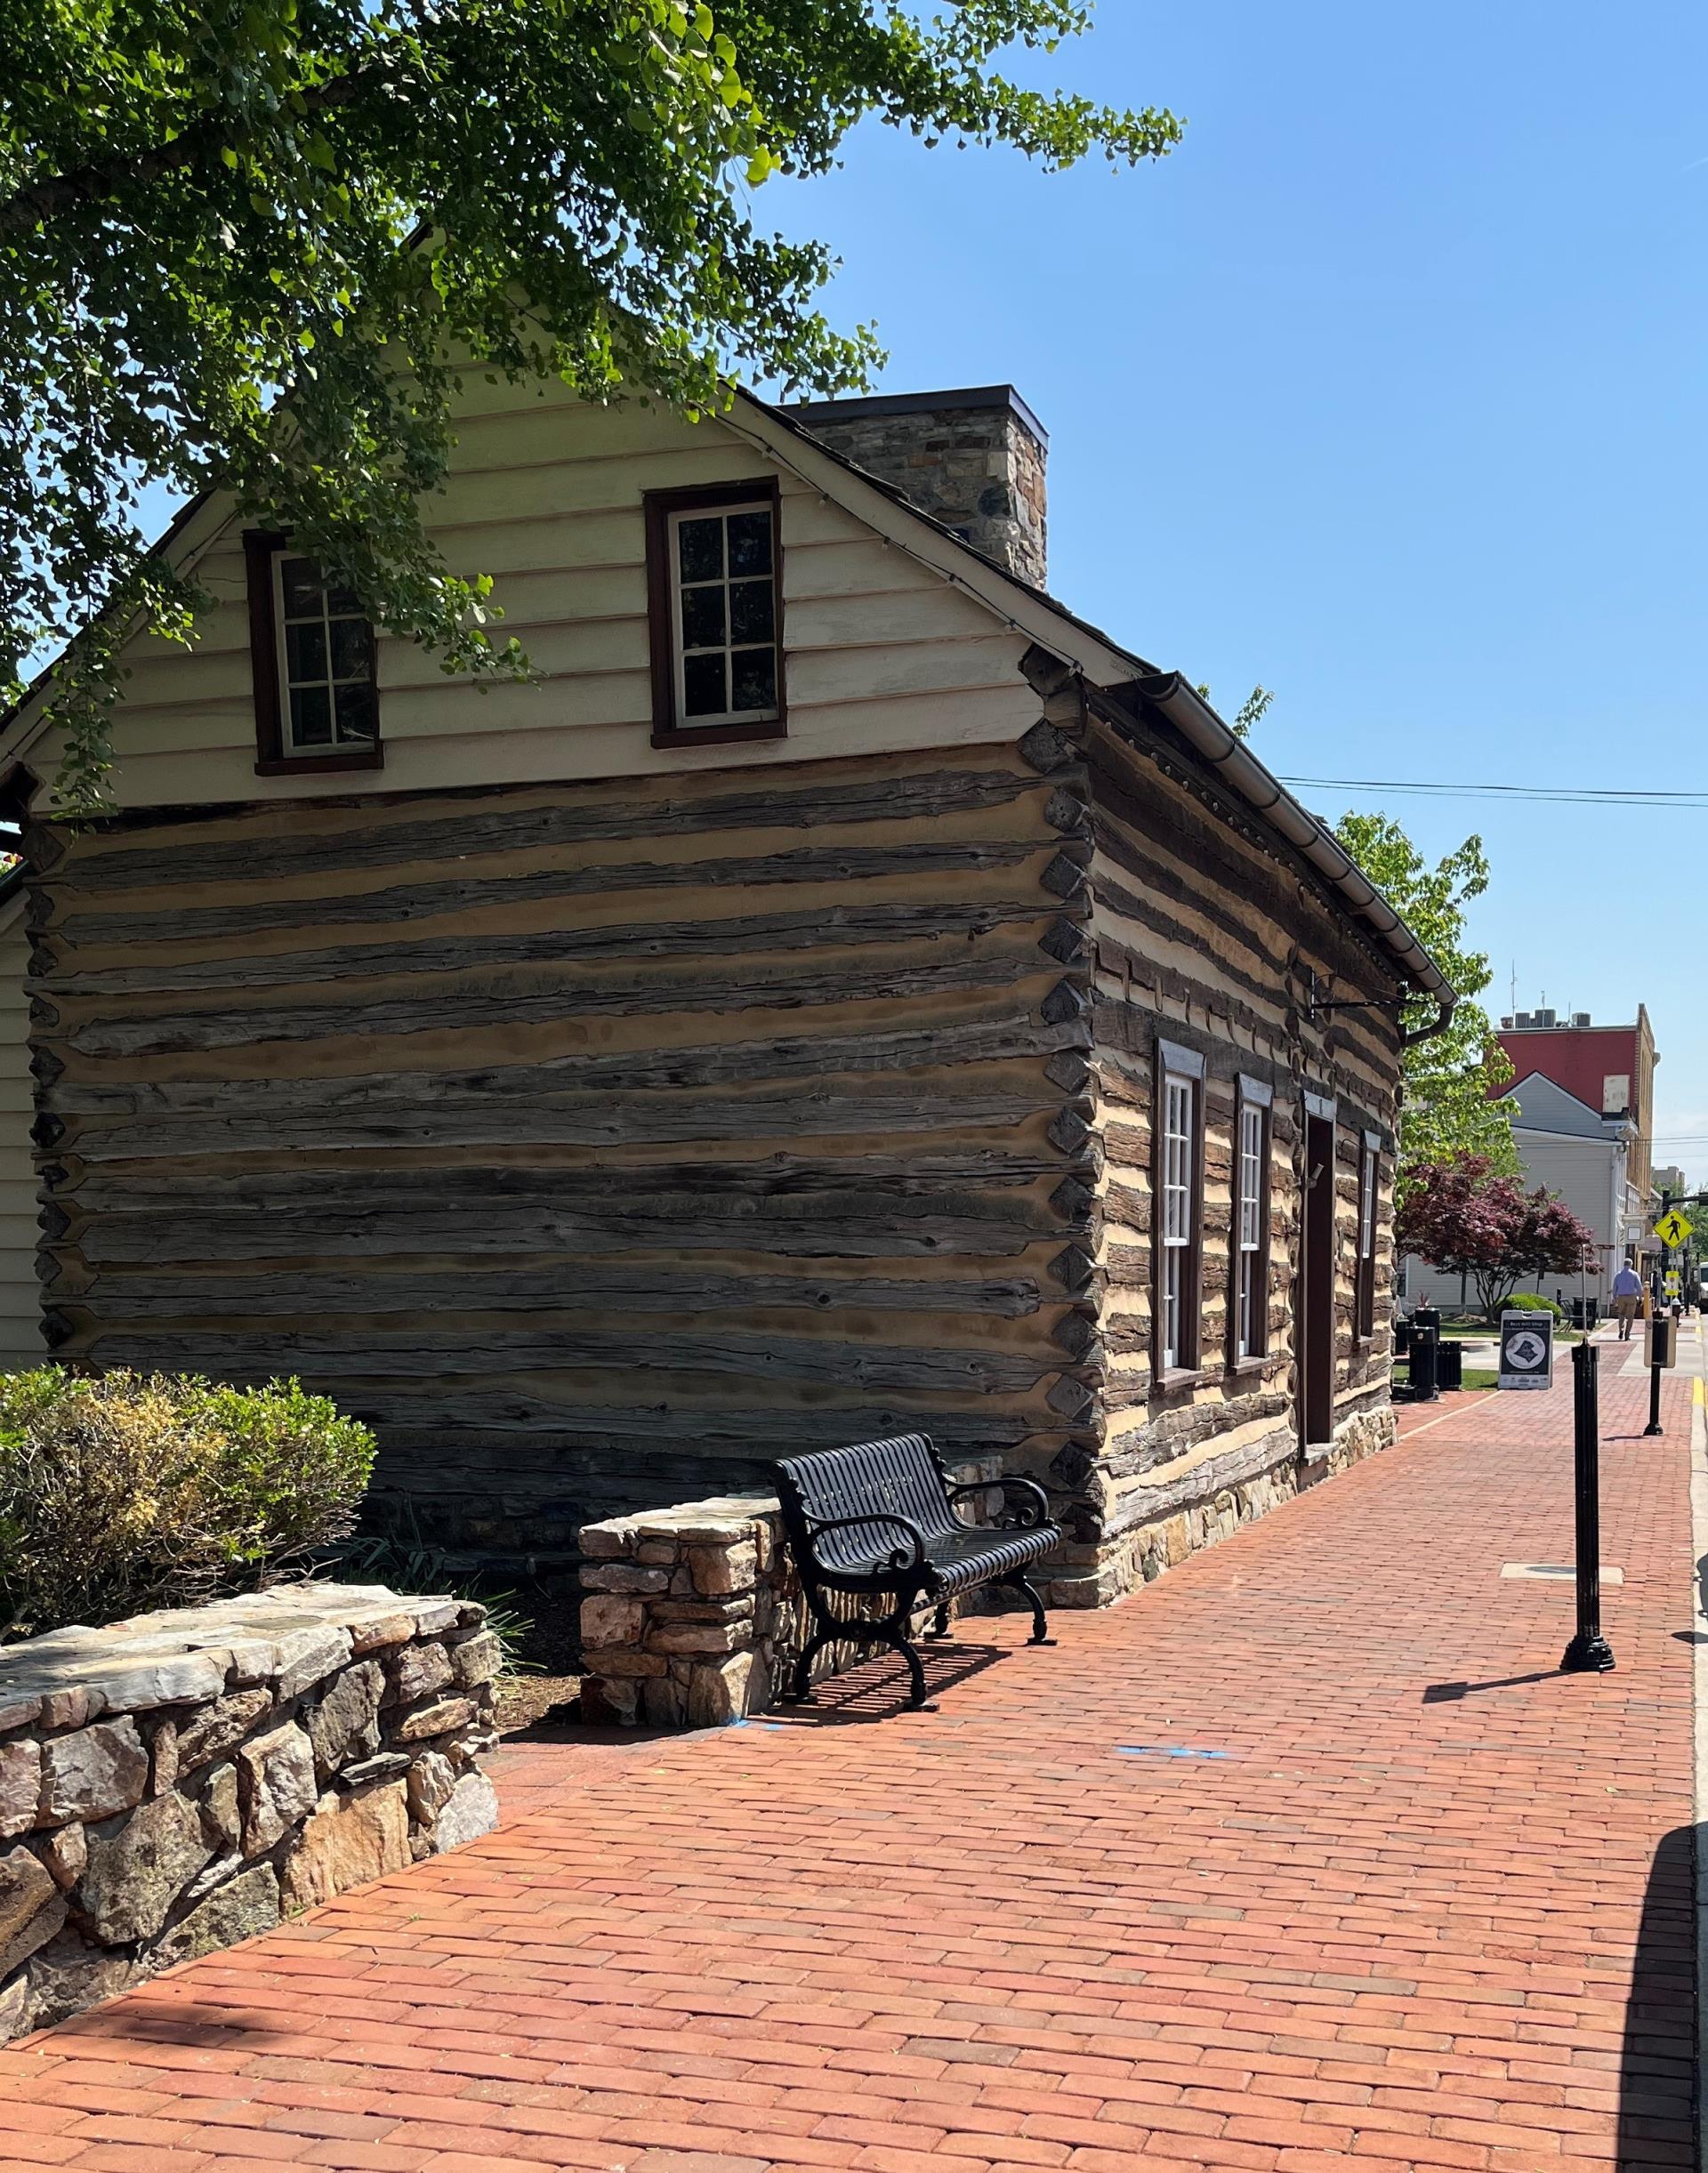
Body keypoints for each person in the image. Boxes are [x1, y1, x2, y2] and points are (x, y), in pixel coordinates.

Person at [1611, 1259, 1644, 1340]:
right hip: (1631, 1296)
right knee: (1630, 1316)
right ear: (1631, 1265)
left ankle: (1621, 1330)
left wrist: (1614, 1297)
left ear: (1624, 1264)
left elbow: (1615, 1287)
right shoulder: (1634, 1274)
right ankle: (1627, 1334)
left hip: (1621, 1296)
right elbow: (1639, 1287)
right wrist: (1640, 1297)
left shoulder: (1618, 1275)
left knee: (1621, 1314)